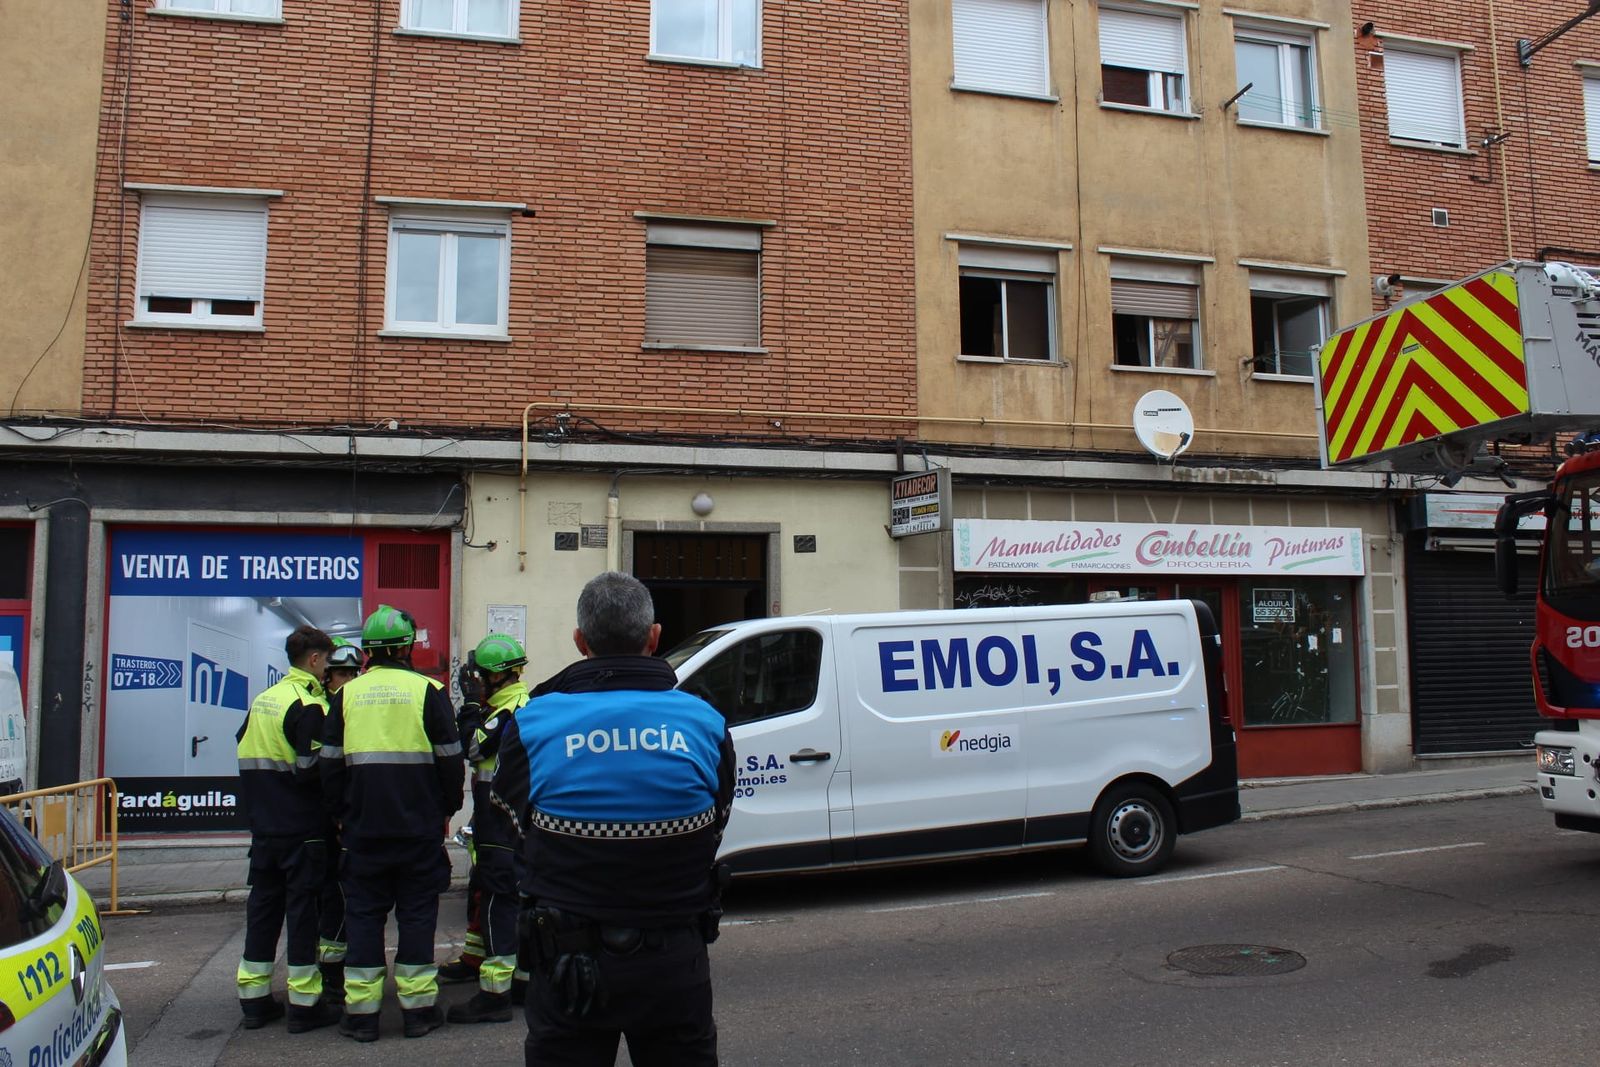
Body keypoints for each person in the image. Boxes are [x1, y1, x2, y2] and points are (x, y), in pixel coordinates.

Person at [493, 572, 736, 1067]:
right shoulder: (705, 722)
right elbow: (715, 823)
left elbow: (513, 827)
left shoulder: (533, 722)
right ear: (654, 637)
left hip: (565, 961)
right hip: (674, 958)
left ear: (580, 642)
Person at [322, 604, 464, 1042]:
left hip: (363, 831)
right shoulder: (429, 691)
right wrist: (446, 808)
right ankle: (418, 1012)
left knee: (364, 915)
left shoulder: (347, 695)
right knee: (418, 915)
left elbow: (328, 766)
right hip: (418, 829)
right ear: (406, 647)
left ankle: (361, 1016)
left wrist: (341, 815)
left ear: (368, 651)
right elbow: (450, 760)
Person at [234, 624, 342, 1033]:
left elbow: (243, 745)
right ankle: (304, 1003)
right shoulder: (309, 704)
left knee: (263, 907)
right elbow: (312, 768)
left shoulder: (265, 699)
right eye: (327, 661)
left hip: (264, 827)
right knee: (302, 911)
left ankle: (254, 998)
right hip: (302, 826)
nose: (328, 668)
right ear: (314, 660)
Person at [444, 633, 531, 1024]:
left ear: (496, 676)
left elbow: (476, 747)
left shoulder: (510, 710)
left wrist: (471, 705)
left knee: (500, 897)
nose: (473, 679)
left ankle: (497, 991)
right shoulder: (501, 705)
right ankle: (476, 958)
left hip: (502, 821)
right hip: (490, 816)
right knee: (483, 889)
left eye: (479, 674)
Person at [315, 639, 365, 1004]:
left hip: (348, 818)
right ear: (327, 676)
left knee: (344, 898)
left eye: (352, 673)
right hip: (322, 820)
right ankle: (331, 973)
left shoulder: (356, 708)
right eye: (340, 674)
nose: (346, 680)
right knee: (328, 899)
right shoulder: (318, 710)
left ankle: (340, 968)